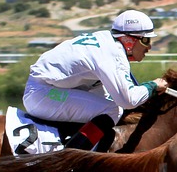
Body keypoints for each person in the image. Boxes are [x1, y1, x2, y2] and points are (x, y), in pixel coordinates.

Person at [22, 9, 168, 151]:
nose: (149, 46)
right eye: (146, 39)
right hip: (43, 94)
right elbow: (128, 100)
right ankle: (68, 163)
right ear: (129, 40)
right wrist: (153, 85)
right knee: (112, 110)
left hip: (47, 89)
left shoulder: (107, 42)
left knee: (109, 106)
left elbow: (114, 95)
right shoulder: (112, 53)